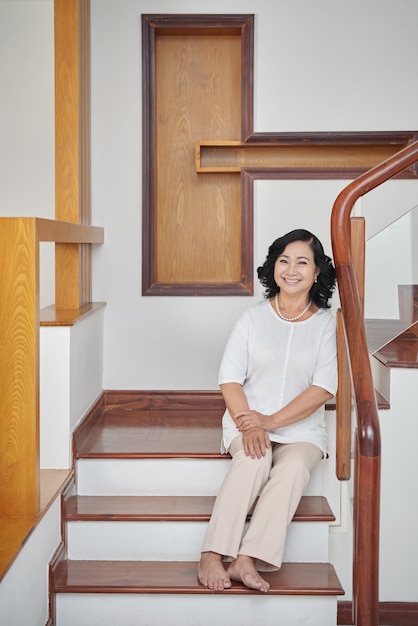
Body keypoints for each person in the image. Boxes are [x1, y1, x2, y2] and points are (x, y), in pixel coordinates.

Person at [197, 228, 337, 593]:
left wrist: (271, 422)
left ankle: (247, 559)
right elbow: (229, 380)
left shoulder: (327, 325)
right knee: (256, 459)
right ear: (274, 267)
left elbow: (322, 388)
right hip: (247, 420)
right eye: (284, 260)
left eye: (302, 262)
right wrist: (250, 424)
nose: (291, 269)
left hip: (301, 430)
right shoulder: (252, 319)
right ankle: (213, 553)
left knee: (290, 468)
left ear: (317, 271)